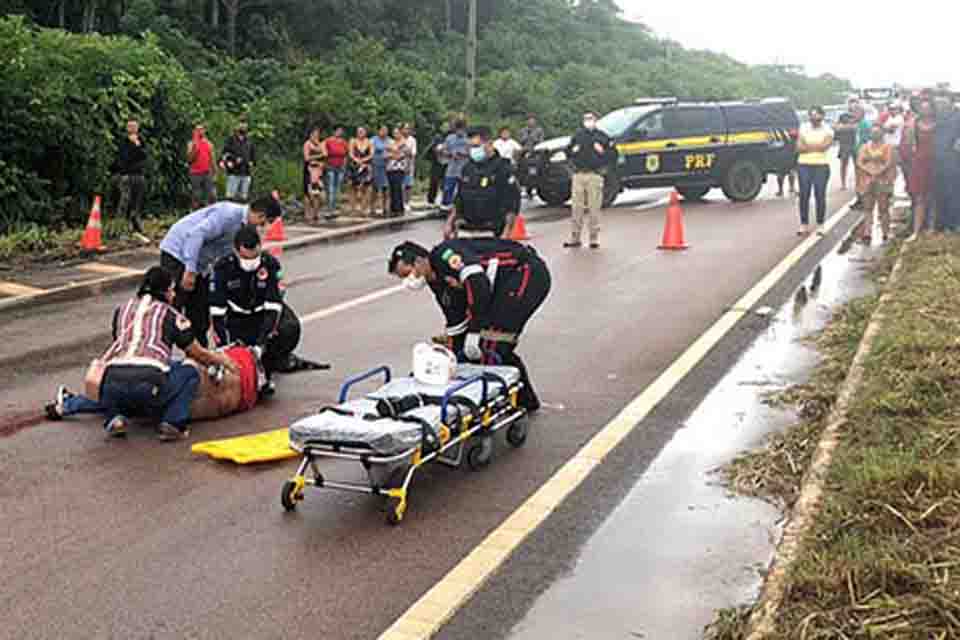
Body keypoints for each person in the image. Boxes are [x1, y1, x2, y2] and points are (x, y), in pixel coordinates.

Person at [49, 267, 237, 440]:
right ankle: (173, 423)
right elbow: (197, 353)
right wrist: (222, 361)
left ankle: (107, 415)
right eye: (172, 290)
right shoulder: (170, 314)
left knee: (125, 387)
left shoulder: (122, 310)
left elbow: (124, 349)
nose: (174, 295)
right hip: (148, 385)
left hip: (111, 382)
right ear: (164, 292)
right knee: (189, 371)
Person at [388, 238, 551, 412]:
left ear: (419, 261)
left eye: (408, 274)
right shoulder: (437, 282)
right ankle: (524, 400)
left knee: (492, 343)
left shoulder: (446, 255)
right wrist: (452, 354)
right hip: (503, 285)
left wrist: (473, 332)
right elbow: (455, 318)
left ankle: (499, 405)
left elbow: (477, 283)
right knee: (482, 350)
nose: (408, 281)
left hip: (526, 272)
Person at [159, 194, 282, 347]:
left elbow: (229, 254)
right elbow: (196, 235)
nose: (264, 228)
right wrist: (190, 270)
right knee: (173, 307)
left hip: (201, 263)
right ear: (261, 215)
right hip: (178, 254)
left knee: (200, 314)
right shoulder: (228, 215)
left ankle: (199, 356)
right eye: (266, 223)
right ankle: (160, 351)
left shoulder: (246, 229)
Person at [209, 225, 300, 388]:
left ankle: (269, 365)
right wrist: (223, 345)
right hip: (235, 317)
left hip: (261, 314)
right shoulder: (223, 268)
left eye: (255, 256)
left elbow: (273, 306)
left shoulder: (270, 264)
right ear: (236, 251)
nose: (251, 262)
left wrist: (261, 343)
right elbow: (217, 311)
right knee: (236, 359)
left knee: (289, 328)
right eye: (246, 257)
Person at [444, 125, 520, 239]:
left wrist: (507, 232)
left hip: (493, 231)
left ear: (489, 144)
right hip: (466, 230)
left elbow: (512, 204)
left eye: (476, 146)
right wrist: (449, 223)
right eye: (470, 147)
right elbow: (459, 199)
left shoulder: (503, 168)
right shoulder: (467, 168)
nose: (472, 150)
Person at [564, 111, 614, 249]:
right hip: (579, 174)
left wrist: (603, 153)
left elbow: (613, 154)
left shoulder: (602, 136)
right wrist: (573, 151)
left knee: (594, 208)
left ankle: (593, 238)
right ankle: (575, 238)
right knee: (576, 208)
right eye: (586, 119)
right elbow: (567, 152)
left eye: (591, 118)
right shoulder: (578, 136)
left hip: (594, 175)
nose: (588, 121)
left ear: (596, 120)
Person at [795, 106, 834, 235]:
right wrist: (816, 147)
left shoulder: (827, 129)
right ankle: (804, 223)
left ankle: (820, 223)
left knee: (820, 194)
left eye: (817, 115)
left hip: (821, 165)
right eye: (811, 116)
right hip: (804, 164)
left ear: (822, 116)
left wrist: (808, 147)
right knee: (804, 194)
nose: (814, 118)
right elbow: (799, 147)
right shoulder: (803, 127)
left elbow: (825, 146)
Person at [856, 123, 897, 244]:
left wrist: (877, 172)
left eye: (877, 132)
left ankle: (885, 233)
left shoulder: (888, 147)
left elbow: (888, 162)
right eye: (873, 132)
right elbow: (859, 162)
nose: (875, 134)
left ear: (882, 133)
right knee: (867, 208)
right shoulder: (864, 147)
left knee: (883, 208)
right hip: (867, 180)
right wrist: (870, 171)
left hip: (883, 180)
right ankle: (867, 233)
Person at [111, 118, 149, 241]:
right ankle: (119, 230)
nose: (133, 128)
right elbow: (124, 158)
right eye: (130, 126)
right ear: (127, 128)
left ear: (138, 128)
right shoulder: (123, 142)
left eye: (135, 126)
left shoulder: (141, 141)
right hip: (126, 176)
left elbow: (144, 156)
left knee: (136, 203)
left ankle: (136, 229)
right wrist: (133, 146)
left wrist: (137, 145)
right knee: (124, 203)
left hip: (139, 175)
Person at [907, 97, 937, 235]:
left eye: (928, 107)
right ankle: (916, 230)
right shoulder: (914, 124)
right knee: (919, 197)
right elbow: (910, 143)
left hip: (935, 162)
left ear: (932, 109)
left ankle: (932, 228)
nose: (925, 110)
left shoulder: (938, 123)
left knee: (934, 196)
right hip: (919, 162)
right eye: (922, 108)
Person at [933, 98, 960, 232]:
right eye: (938, 104)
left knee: (953, 192)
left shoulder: (957, 117)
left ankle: (954, 223)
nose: (940, 107)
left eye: (943, 104)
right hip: (937, 161)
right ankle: (941, 223)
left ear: (950, 104)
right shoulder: (936, 117)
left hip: (953, 160)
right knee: (939, 192)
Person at [222, 121, 256, 202]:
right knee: (230, 197)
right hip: (234, 172)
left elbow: (253, 156)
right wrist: (232, 160)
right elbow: (224, 154)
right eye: (241, 125)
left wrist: (252, 162)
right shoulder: (231, 140)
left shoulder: (249, 141)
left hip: (246, 172)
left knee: (244, 198)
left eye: (245, 125)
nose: (243, 127)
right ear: (237, 127)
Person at [440, 119, 469, 212]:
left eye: (462, 129)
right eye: (458, 129)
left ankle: (461, 208)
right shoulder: (449, 138)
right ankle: (445, 206)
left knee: (463, 189)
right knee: (447, 187)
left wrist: (463, 154)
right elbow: (443, 150)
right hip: (452, 168)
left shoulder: (468, 139)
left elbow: (473, 152)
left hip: (464, 168)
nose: (460, 131)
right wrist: (450, 154)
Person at [322, 126, 349, 216]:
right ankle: (329, 209)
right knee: (330, 188)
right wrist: (325, 162)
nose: (339, 132)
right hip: (330, 166)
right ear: (334, 131)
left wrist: (344, 165)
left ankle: (335, 208)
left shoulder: (343, 142)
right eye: (338, 131)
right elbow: (323, 151)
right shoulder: (328, 141)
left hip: (340, 167)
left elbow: (346, 154)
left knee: (338, 188)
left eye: (341, 131)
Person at [188, 124, 216, 209]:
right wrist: (195, 147)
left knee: (211, 194)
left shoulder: (209, 143)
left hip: (207, 172)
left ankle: (210, 211)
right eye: (198, 130)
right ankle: (195, 212)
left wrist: (215, 171)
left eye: (202, 129)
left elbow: (212, 158)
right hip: (195, 173)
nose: (200, 131)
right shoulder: (191, 144)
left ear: (204, 131)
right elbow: (189, 159)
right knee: (197, 195)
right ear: (194, 131)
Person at [386, 126, 413, 217]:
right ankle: (393, 208)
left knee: (397, 187)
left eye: (397, 133)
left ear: (401, 134)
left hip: (400, 168)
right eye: (394, 133)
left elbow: (406, 155)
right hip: (390, 168)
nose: (395, 135)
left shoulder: (404, 143)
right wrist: (393, 154)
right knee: (392, 188)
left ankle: (399, 208)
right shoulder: (390, 142)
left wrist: (394, 153)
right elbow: (386, 154)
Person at [348, 126, 374, 215]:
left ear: (365, 132)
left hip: (366, 166)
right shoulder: (353, 141)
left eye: (362, 131)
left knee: (366, 188)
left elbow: (371, 154)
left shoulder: (369, 142)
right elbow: (350, 153)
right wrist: (356, 160)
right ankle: (353, 208)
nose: (360, 133)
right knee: (352, 187)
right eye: (359, 131)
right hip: (354, 166)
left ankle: (364, 208)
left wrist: (363, 160)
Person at [302, 127, 326, 224]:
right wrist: (319, 156)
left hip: (319, 172)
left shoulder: (321, 143)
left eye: (317, 133)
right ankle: (308, 215)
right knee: (309, 194)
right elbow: (306, 158)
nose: (316, 135)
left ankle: (316, 214)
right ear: (310, 134)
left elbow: (325, 155)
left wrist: (321, 162)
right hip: (309, 171)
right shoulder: (307, 144)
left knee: (320, 195)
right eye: (314, 133)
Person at [833, 107, 858, 191]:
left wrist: (839, 127)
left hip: (850, 145)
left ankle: (846, 184)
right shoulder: (852, 124)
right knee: (846, 166)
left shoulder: (841, 126)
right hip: (846, 146)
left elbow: (836, 134)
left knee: (854, 166)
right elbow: (836, 136)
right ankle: (844, 184)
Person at [372, 125, 392, 216]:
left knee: (386, 188)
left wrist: (389, 154)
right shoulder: (373, 140)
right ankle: (373, 208)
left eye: (386, 130)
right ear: (378, 131)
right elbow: (371, 151)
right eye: (383, 130)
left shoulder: (390, 140)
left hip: (387, 166)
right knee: (375, 187)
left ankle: (385, 207)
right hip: (376, 165)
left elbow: (394, 150)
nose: (384, 132)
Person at [426, 128, 448, 206]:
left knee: (444, 184)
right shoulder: (435, 142)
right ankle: (431, 200)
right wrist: (435, 151)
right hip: (437, 164)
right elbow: (428, 153)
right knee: (434, 182)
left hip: (446, 164)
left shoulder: (450, 141)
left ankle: (442, 200)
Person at [402, 123, 418, 209]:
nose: (406, 130)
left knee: (408, 185)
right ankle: (401, 201)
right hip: (398, 165)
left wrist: (409, 165)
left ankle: (407, 202)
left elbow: (413, 154)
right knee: (401, 185)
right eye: (405, 128)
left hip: (409, 165)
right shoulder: (399, 138)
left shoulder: (412, 140)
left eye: (408, 129)